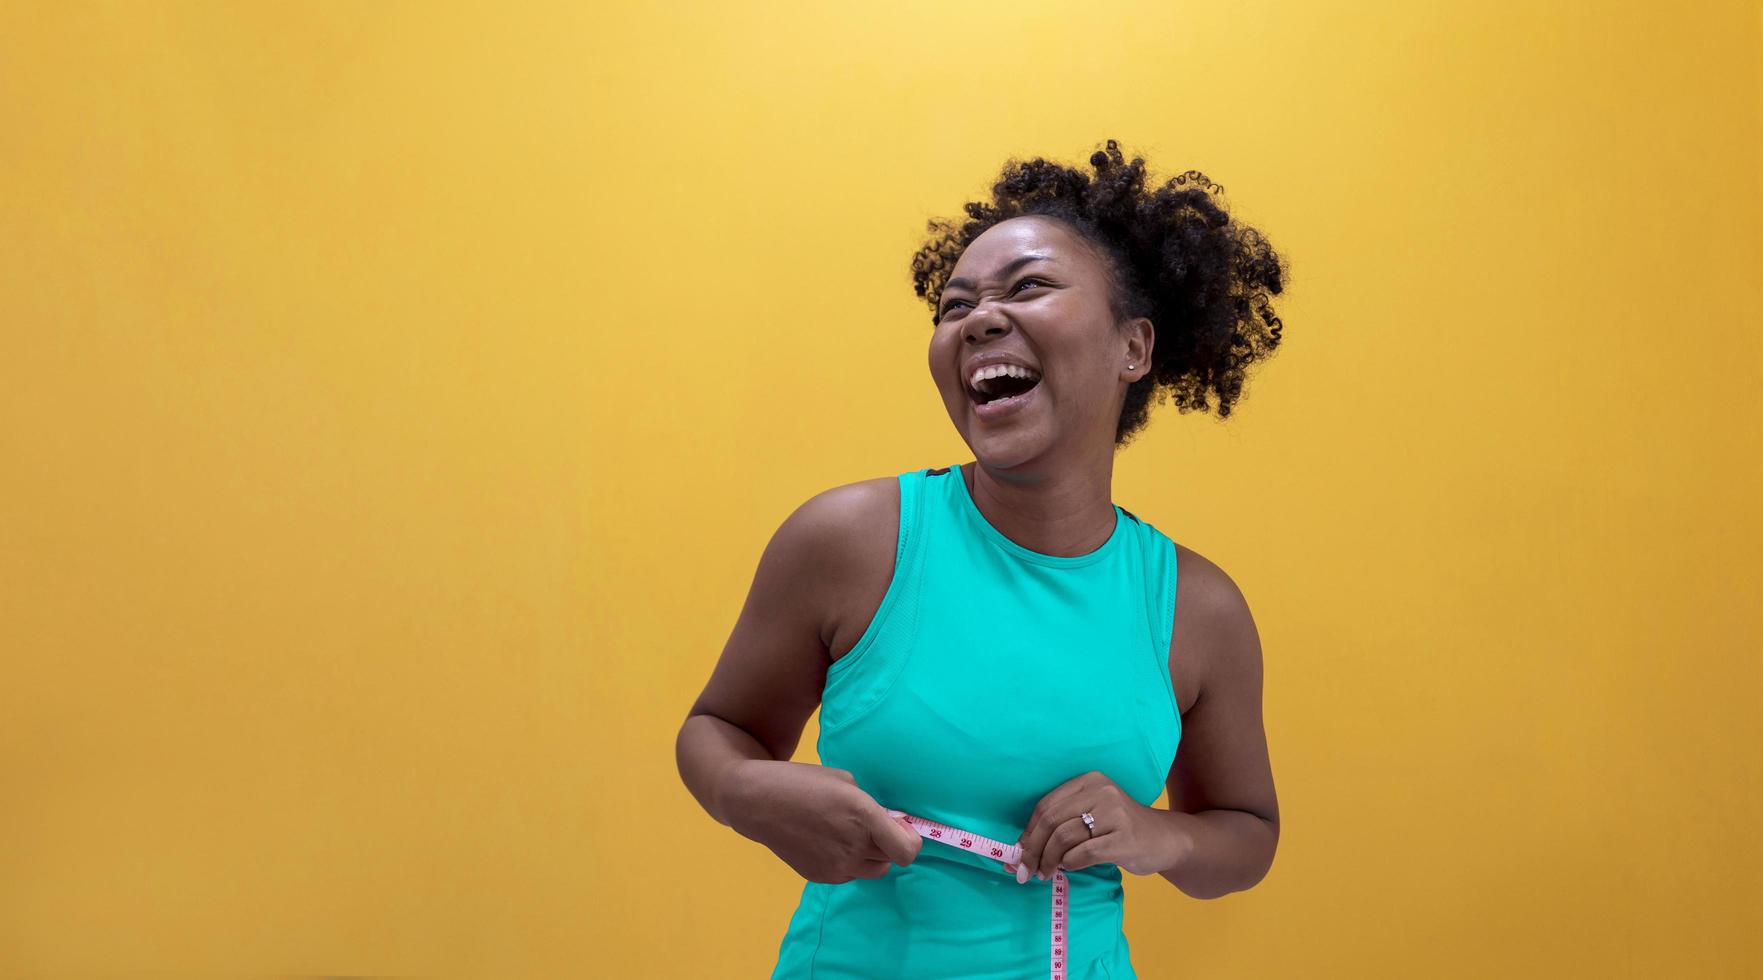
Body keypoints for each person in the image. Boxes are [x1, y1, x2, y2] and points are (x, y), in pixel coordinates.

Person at [676, 138, 1286, 979]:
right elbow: (716, 731)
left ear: (1132, 348)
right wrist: (745, 793)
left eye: (1028, 286)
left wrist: (1156, 834)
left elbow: (1246, 834)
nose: (977, 320)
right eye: (953, 306)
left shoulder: (1194, 607)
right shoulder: (851, 540)